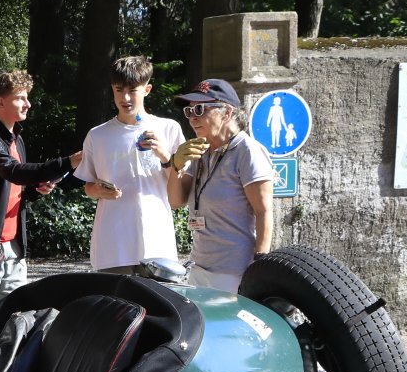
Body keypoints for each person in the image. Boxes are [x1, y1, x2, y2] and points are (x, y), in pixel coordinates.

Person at [158, 77, 275, 292]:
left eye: (200, 109)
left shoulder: (247, 151)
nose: (192, 118)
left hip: (234, 271)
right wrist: (175, 166)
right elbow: (175, 201)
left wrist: (260, 265)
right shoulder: (200, 150)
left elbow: (264, 211)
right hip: (199, 267)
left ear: (227, 113)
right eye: (189, 111)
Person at [0, 69, 82, 298]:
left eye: (27, 97)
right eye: (21, 98)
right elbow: (13, 172)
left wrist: (35, 190)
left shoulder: (18, 139)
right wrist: (68, 162)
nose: (28, 104)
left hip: (14, 246)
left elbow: (16, 189)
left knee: (14, 310)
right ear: (1, 102)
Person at [74, 55, 184, 273]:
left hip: (157, 241)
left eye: (133, 90)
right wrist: (98, 190)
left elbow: (181, 188)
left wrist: (165, 156)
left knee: (156, 296)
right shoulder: (98, 135)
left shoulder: (169, 128)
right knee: (114, 296)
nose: (125, 98)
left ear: (147, 89)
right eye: (119, 90)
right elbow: (89, 187)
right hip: (113, 245)